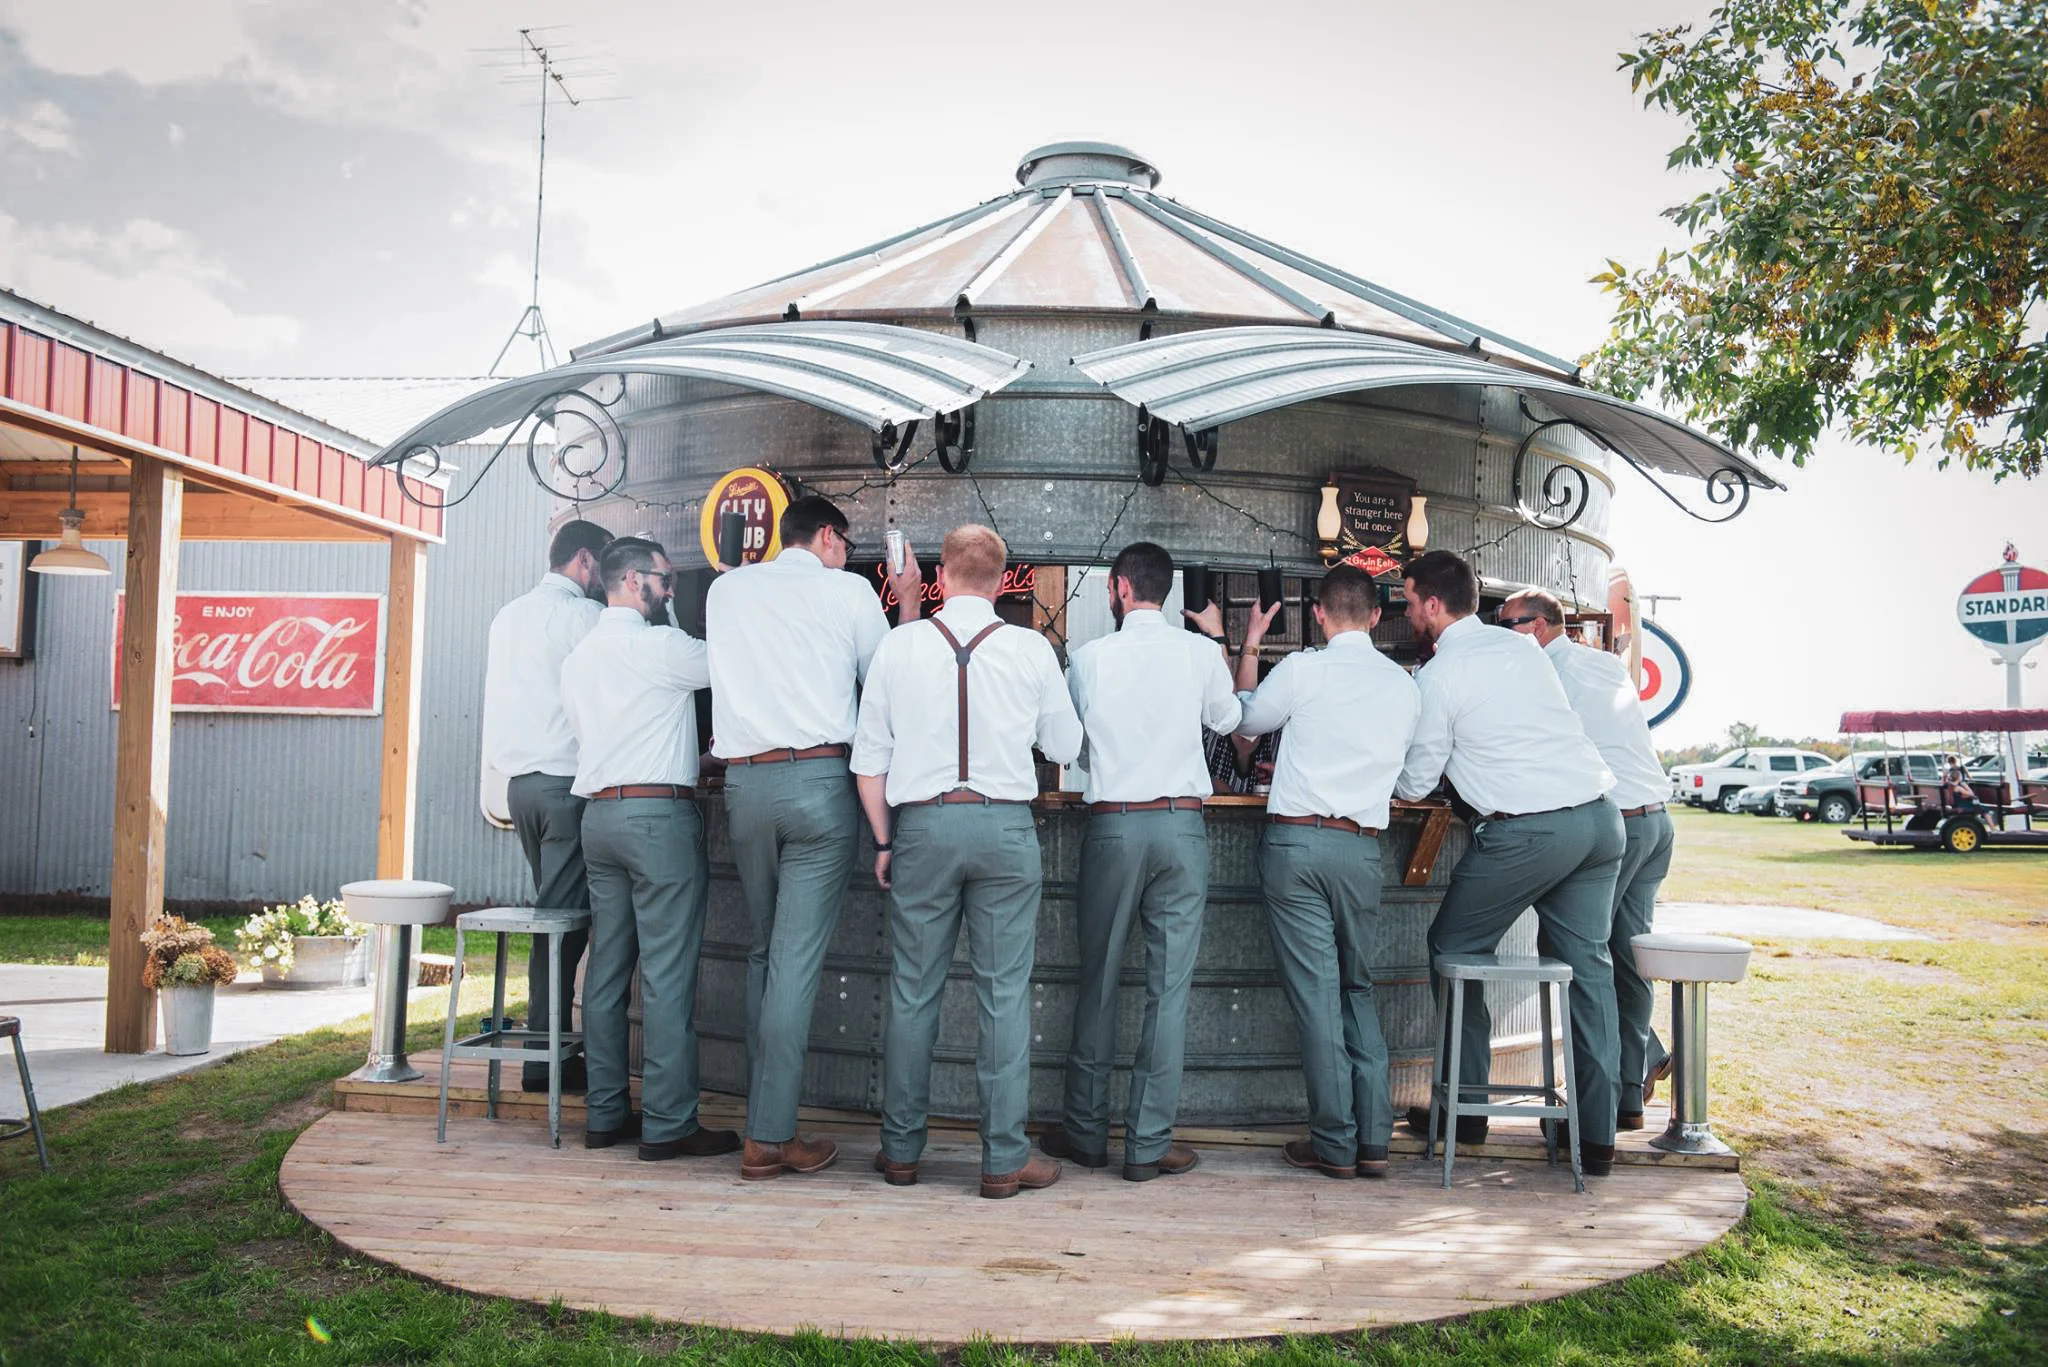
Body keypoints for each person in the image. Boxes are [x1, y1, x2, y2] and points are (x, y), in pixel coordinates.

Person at [851, 525, 1084, 1199]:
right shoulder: (1031, 648)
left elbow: (869, 763)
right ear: (1002, 578)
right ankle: (1004, 1158)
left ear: (942, 578)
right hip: (1005, 828)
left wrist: (886, 843)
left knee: (912, 990)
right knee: (1003, 994)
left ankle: (900, 1151)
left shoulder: (899, 646)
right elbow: (1066, 741)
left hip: (922, 827)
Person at [705, 495, 920, 1181]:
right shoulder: (849, 590)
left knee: (765, 951)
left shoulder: (725, 589)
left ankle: (765, 1116)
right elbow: (890, 682)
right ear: (828, 537)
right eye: (844, 543)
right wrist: (909, 603)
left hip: (744, 786)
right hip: (821, 783)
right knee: (793, 961)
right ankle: (768, 1137)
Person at [1394, 550, 1627, 1176]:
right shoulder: (1522, 649)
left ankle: (1466, 1113)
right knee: (1589, 973)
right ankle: (1597, 1137)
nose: (1408, 612)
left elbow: (1417, 780)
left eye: (1411, 601)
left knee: (1455, 946)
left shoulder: (1437, 678)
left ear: (1434, 606)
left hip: (1528, 831)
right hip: (1600, 820)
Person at [1044, 542, 1240, 1182]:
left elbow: (1070, 746)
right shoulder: (1200, 653)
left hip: (1115, 827)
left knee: (1097, 979)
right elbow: (1229, 718)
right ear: (1169, 592)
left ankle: (1086, 1133)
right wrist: (1219, 640)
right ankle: (1148, 1146)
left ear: (1121, 589)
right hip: (1181, 826)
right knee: (1168, 989)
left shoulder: (1090, 658)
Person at [1222, 565, 1419, 1179]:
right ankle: (1376, 1141)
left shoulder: (1303, 669)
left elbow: (1244, 724)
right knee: (1356, 988)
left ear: (1319, 616)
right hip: (1362, 850)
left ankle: (1335, 1143)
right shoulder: (1406, 686)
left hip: (1299, 848)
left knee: (1316, 996)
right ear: (1377, 617)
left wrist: (1249, 644)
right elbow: (1413, 776)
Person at [560, 537, 737, 1162]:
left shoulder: (579, 657)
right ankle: (668, 1124)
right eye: (664, 579)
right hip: (657, 817)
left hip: (599, 817)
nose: (670, 589)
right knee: (665, 973)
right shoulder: (660, 645)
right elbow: (734, 664)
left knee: (606, 972)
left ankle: (606, 1113)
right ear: (635, 581)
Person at [1500, 588, 1674, 1129]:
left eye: (1509, 624)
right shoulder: (1605, 666)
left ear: (1541, 627)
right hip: (1656, 820)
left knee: (1577, 955)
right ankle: (1626, 1095)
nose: (1501, 634)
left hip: (1615, 824)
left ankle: (1593, 1106)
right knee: (1626, 957)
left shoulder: (1544, 677)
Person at [478, 518, 610, 1094]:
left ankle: (549, 1051)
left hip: (520, 788)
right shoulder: (586, 617)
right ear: (584, 561)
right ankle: (545, 1061)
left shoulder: (508, 615)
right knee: (561, 927)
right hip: (564, 785)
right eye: (604, 569)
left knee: (553, 915)